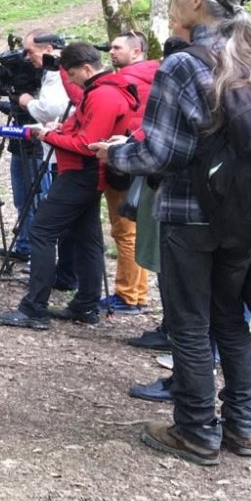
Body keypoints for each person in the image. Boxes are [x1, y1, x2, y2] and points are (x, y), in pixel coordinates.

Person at [98, 0, 251, 465]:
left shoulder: (186, 63)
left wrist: (115, 153)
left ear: (195, 3)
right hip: (246, 215)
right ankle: (246, 427)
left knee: (190, 325)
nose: (170, 5)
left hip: (190, 216)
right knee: (231, 322)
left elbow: (162, 155)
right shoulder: (249, 54)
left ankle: (195, 430)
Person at [0, 43, 136, 330]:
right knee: (88, 239)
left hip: (81, 173)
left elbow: (88, 145)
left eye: (71, 74)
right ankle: (85, 305)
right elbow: (82, 130)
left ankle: (35, 308)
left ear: (87, 69)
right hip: (87, 174)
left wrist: (48, 136)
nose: (70, 81)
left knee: (42, 231)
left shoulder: (103, 95)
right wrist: (59, 130)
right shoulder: (104, 89)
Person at [0, 31, 69, 266]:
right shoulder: (41, 73)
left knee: (37, 197)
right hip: (19, 144)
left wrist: (2, 102)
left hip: (39, 145)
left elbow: (41, 110)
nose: (27, 57)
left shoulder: (54, 75)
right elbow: (24, 107)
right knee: (22, 199)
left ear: (48, 49)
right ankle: (25, 245)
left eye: (30, 52)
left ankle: (39, 254)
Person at [100, 30, 158, 314]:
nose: (111, 52)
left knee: (125, 230)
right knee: (136, 228)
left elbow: (89, 100)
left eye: (117, 47)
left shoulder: (123, 81)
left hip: (123, 160)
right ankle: (138, 292)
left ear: (136, 52)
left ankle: (127, 295)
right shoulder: (157, 77)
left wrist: (64, 69)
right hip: (144, 160)